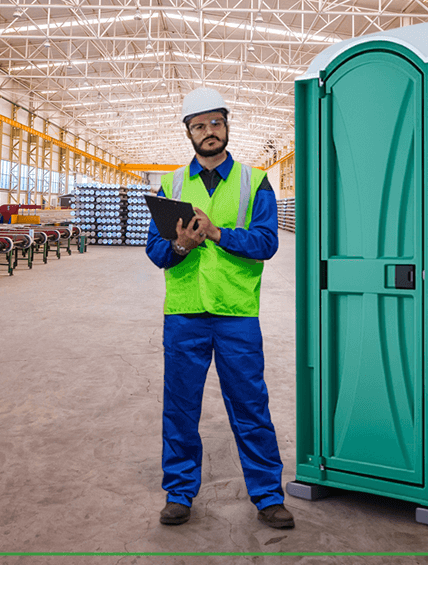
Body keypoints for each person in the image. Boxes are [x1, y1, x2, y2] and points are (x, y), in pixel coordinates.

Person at [145, 86, 294, 530]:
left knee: (250, 405)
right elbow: (156, 253)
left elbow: (267, 242)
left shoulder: (255, 180)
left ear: (227, 126)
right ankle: (179, 492)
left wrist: (216, 233)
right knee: (181, 407)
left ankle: (268, 495)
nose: (209, 131)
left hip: (236, 313)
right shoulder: (169, 185)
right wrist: (180, 245)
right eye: (199, 125)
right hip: (185, 313)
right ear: (188, 132)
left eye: (216, 122)